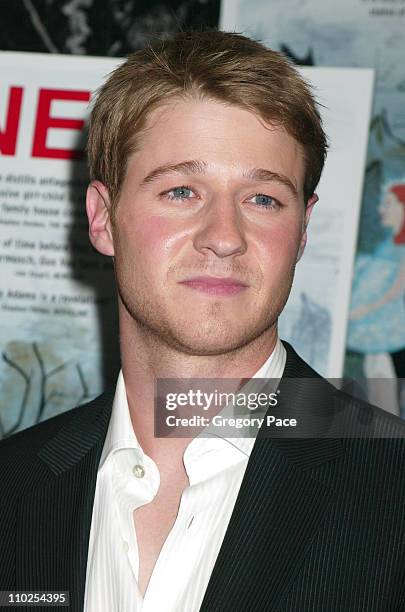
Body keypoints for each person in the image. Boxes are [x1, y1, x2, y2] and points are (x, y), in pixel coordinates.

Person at [0, 30, 404, 612]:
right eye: (182, 190)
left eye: (262, 199)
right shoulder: (11, 490)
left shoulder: (391, 486)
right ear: (102, 218)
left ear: (303, 228)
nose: (224, 237)